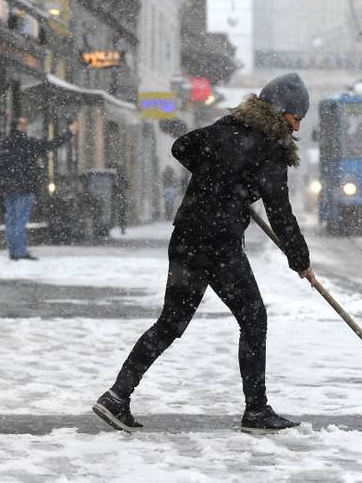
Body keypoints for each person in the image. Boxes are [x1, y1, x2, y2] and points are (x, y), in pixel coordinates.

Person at [93, 73, 318, 434]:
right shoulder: (270, 150)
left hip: (187, 237)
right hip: (219, 245)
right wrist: (301, 261)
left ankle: (117, 397)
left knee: (170, 323)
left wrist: (217, 178)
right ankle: (256, 411)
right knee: (254, 318)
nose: (299, 123)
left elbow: (182, 147)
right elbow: (280, 213)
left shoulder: (225, 128)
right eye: (296, 115)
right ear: (280, 111)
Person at [0, 117, 77, 260]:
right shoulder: (28, 143)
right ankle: (20, 251)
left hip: (9, 188)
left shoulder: (4, 144)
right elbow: (50, 145)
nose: (25, 126)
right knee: (20, 220)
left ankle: (13, 250)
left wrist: (4, 180)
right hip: (24, 187)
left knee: (11, 219)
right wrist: (69, 133)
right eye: (23, 124)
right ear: (19, 127)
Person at [110, 163, 128, 235]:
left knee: (122, 212)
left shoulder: (121, 176)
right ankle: (112, 226)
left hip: (119, 195)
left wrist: (121, 187)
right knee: (114, 211)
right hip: (113, 196)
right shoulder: (110, 176)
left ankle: (122, 227)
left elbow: (127, 185)